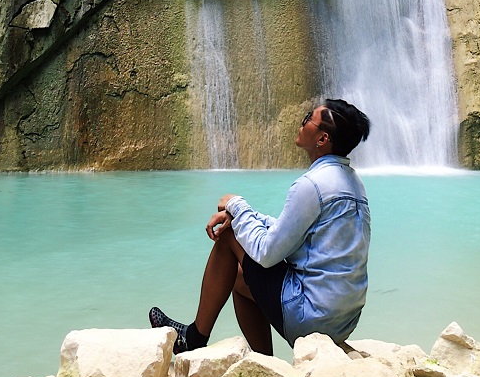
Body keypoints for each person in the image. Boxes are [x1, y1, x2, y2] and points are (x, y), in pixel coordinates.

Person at [149, 98, 371, 354]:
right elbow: (295, 236)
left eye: (309, 118)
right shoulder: (354, 183)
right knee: (240, 278)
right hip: (343, 320)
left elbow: (267, 253)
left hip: (311, 318)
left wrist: (236, 204)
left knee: (231, 236)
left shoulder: (312, 184)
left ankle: (193, 337)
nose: (302, 121)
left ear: (322, 139)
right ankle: (266, 363)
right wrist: (244, 214)